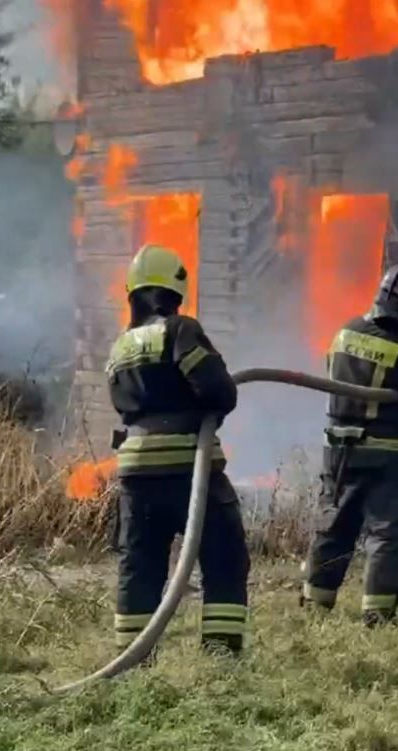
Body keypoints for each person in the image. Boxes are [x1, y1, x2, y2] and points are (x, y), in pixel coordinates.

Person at [107, 243, 251, 656]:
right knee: (225, 554)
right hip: (187, 465)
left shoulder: (120, 345)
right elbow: (218, 389)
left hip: (135, 472)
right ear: (174, 292)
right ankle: (220, 653)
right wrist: (210, 407)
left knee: (140, 565)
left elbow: (122, 404)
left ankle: (132, 659)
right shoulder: (180, 330)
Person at [301, 261, 398, 626]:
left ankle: (316, 605)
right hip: (383, 458)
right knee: (388, 531)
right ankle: (378, 613)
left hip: (338, 453)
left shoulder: (346, 332)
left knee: (334, 528)